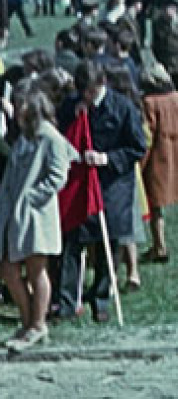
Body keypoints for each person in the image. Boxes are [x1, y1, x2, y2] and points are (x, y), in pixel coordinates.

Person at [55, 60, 147, 323]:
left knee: (109, 245)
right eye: (83, 92)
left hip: (112, 185)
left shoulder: (122, 108)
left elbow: (137, 148)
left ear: (102, 84)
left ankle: (101, 297)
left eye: (91, 92)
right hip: (79, 184)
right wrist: (73, 115)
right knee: (73, 241)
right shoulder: (70, 106)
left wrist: (106, 158)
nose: (87, 97)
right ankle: (67, 301)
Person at [0, 83, 76, 351]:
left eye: (21, 103)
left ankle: (38, 324)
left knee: (36, 270)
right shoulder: (24, 137)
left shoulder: (50, 137)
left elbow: (58, 175)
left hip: (36, 216)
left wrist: (32, 198)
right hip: (13, 215)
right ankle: (26, 319)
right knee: (8, 269)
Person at [140, 63, 178, 263]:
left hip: (157, 158)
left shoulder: (149, 102)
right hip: (175, 157)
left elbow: (147, 136)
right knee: (158, 205)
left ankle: (159, 246)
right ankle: (159, 244)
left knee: (155, 204)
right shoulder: (177, 98)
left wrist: (140, 163)